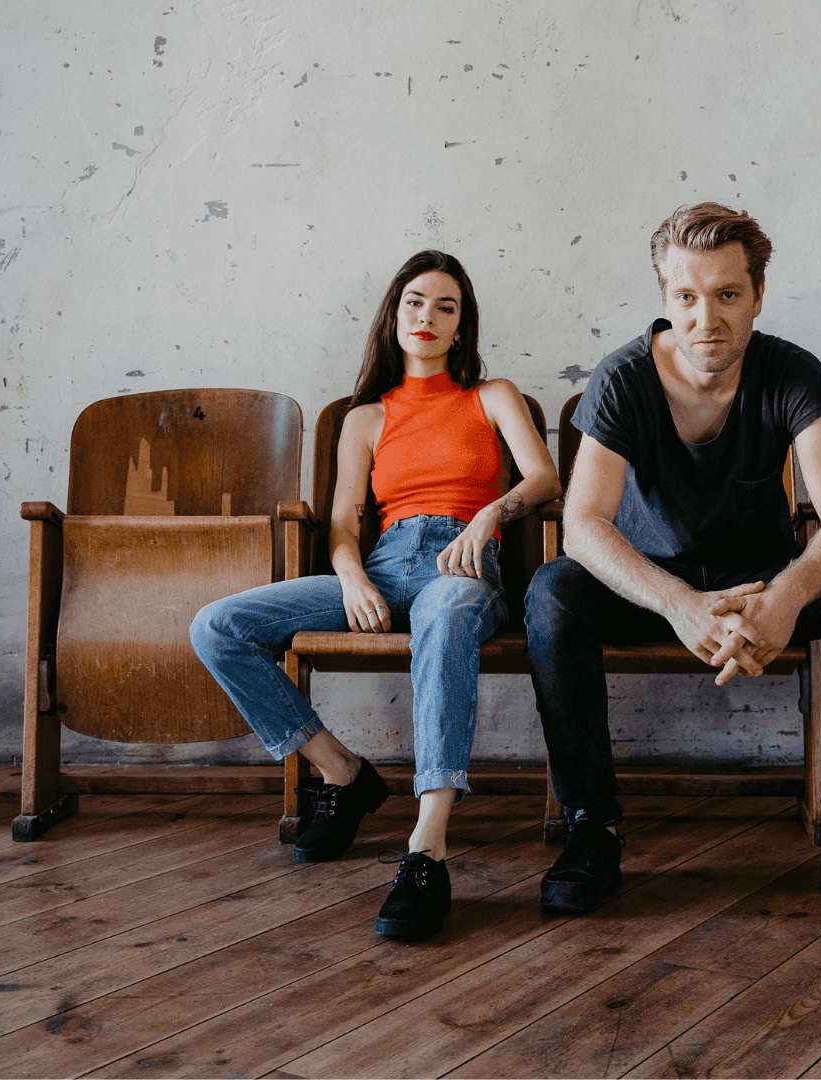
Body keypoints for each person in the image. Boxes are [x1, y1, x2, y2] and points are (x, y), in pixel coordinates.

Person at [525, 203, 821, 922]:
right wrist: (677, 602)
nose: (706, 317)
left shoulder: (793, 371)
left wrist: (788, 597)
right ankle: (593, 827)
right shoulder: (620, 380)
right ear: (665, 298)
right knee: (553, 591)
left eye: (727, 295)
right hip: (651, 591)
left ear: (758, 296)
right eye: (686, 296)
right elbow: (582, 525)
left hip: (766, 584)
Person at [191, 250, 559, 940]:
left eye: (445, 307)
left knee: (447, 618)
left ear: (461, 328)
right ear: (394, 314)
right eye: (416, 302)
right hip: (384, 566)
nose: (428, 316)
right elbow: (340, 523)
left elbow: (544, 478)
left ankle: (428, 844)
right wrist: (355, 577)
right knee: (218, 626)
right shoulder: (364, 417)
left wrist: (488, 516)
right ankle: (343, 771)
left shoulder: (494, 396)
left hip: (464, 563)